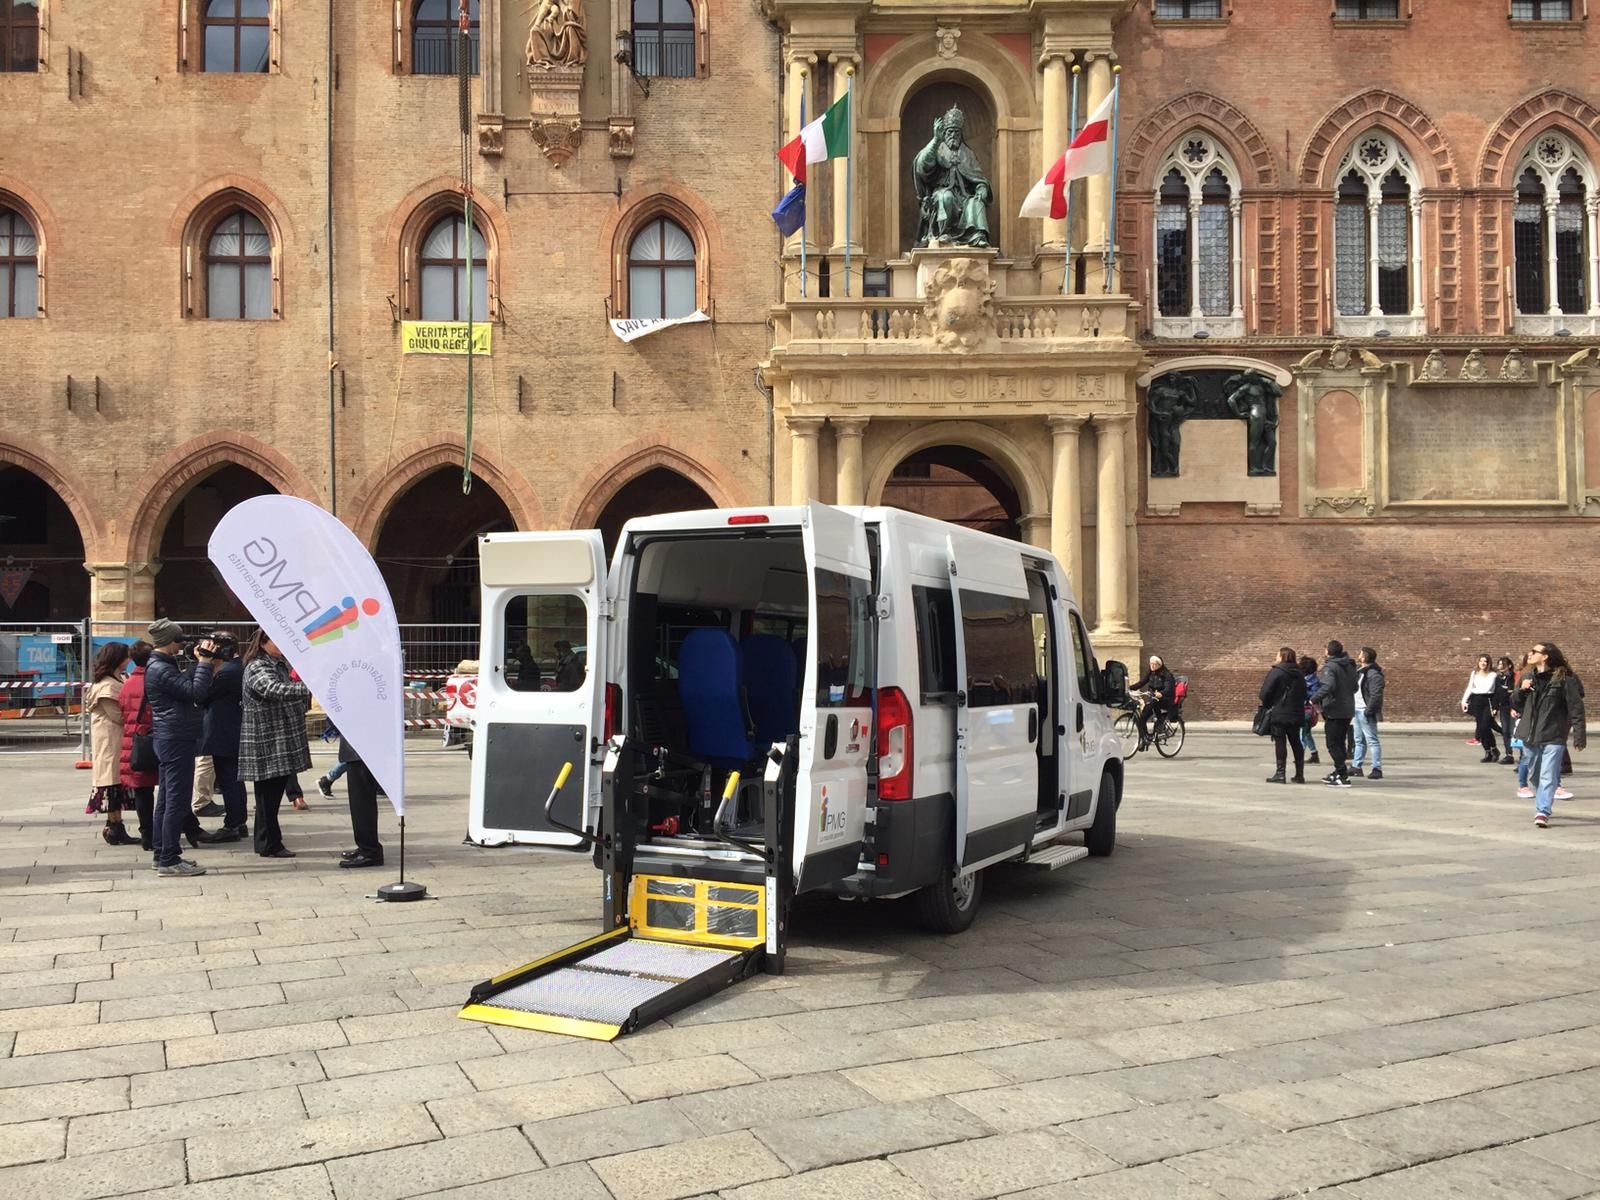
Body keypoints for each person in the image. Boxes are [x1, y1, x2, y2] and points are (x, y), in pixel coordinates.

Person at [144, 620, 217, 877]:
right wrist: (206, 664)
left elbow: (183, 686)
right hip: (175, 738)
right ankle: (169, 859)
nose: (181, 645)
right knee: (176, 800)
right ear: (169, 641)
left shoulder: (162, 665)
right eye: (179, 640)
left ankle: (161, 853)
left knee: (166, 799)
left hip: (171, 736)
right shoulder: (161, 669)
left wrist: (198, 663)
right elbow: (196, 692)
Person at [239, 630, 313, 859]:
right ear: (263, 642)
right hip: (266, 738)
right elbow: (273, 689)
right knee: (267, 796)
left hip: (278, 737)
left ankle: (268, 841)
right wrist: (310, 687)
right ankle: (270, 842)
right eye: (276, 641)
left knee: (271, 795)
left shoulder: (278, 663)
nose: (282, 645)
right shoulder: (258, 665)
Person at [1519, 641, 1586, 828]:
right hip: (1530, 735)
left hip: (1554, 734)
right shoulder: (1526, 676)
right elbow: (1515, 704)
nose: (1530, 653)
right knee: (1535, 774)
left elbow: (1576, 708)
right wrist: (1522, 689)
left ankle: (1542, 811)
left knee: (1548, 775)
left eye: (1534, 651)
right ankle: (1545, 797)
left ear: (1545, 656)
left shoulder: (1565, 679)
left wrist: (1579, 736)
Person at [196, 636, 248, 844]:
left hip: (223, 733)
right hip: (231, 731)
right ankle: (239, 822)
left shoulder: (227, 672)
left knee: (229, 781)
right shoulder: (238, 667)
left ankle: (233, 824)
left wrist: (203, 664)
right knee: (235, 780)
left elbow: (201, 695)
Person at [86, 642, 138, 845]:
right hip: (110, 744)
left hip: (116, 743)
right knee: (112, 785)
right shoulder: (107, 686)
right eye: (126, 657)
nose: (129, 660)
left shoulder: (116, 680)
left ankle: (116, 826)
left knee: (116, 786)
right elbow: (118, 716)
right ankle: (114, 827)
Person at [118, 640, 159, 851]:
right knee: (169, 787)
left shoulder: (127, 684)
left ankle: (147, 834)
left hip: (133, 741)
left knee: (143, 791)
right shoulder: (153, 681)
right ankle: (169, 830)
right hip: (153, 739)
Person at [1260, 647, 1308, 784]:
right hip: (1296, 712)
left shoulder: (1277, 672)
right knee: (1296, 742)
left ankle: (1280, 773)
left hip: (1279, 712)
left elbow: (1265, 693)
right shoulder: (1300, 673)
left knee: (1280, 741)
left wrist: (1269, 703)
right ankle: (1300, 774)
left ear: (1282, 657)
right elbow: (1305, 693)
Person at [337, 734, 385, 869]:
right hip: (359, 746)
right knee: (360, 801)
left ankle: (369, 851)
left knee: (361, 802)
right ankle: (366, 847)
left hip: (361, 745)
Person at [1315, 640, 1357, 787]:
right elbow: (1355, 686)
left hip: (1334, 709)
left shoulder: (1330, 667)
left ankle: (1343, 776)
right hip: (1347, 709)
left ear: (1329, 651)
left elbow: (1328, 685)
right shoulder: (1349, 665)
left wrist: (1314, 699)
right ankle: (1338, 771)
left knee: (1332, 744)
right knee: (1339, 742)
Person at [1350, 647, 1385, 781]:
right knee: (1358, 740)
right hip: (1357, 710)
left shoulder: (1374, 674)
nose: (1358, 655)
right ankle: (1356, 766)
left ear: (1365, 657)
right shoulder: (1360, 671)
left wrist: (1368, 711)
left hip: (1365, 711)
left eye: (1360, 653)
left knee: (1372, 740)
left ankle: (1376, 768)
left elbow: (1376, 695)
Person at [1461, 654, 1501, 763]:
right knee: (1484, 728)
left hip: (1487, 700)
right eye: (1481, 661)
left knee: (1484, 726)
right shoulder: (1474, 673)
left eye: (1485, 661)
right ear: (1478, 662)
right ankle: (1489, 751)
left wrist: (1495, 707)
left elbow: (1491, 689)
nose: (1483, 663)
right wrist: (1464, 701)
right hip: (1476, 700)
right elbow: (1470, 687)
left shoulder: (1493, 675)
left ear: (1488, 663)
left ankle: (1490, 746)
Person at [1131, 655, 1177, 748]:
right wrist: (1129, 688)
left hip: (1165, 699)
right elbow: (1141, 683)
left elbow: (1169, 689)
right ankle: (1145, 738)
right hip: (1154, 699)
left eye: (1154, 664)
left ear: (1159, 665)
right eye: (1151, 663)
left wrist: (1161, 693)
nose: (1152, 666)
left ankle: (1160, 724)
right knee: (1142, 718)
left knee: (1154, 703)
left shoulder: (1167, 675)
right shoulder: (1150, 673)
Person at [1493, 655, 1518, 766]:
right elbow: (1497, 694)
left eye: (1502, 664)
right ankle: (1509, 754)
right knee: (1505, 731)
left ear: (1509, 666)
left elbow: (1513, 691)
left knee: (1515, 731)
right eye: (1499, 664)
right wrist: (1495, 707)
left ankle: (1523, 755)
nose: (1500, 666)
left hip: (1513, 707)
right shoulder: (1498, 678)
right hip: (1503, 707)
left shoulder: (1514, 677)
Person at [1298, 655, 1322, 766]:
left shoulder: (1313, 681)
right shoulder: (1305, 679)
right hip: (1303, 708)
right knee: (1306, 733)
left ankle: (1300, 756)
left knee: (1303, 733)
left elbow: (1314, 695)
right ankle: (1314, 754)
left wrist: (1304, 693)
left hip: (1308, 710)